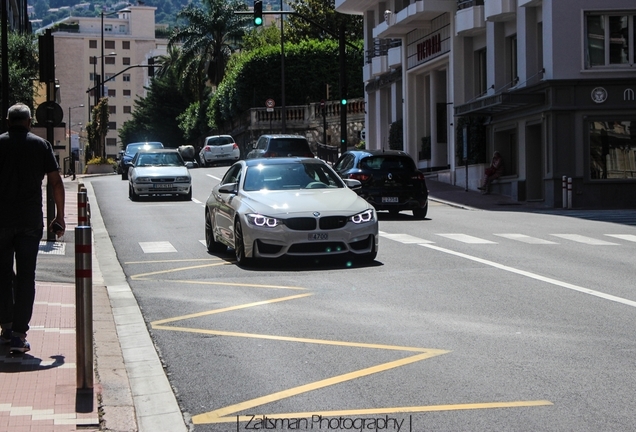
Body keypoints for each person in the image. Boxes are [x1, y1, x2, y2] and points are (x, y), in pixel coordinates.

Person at [0, 103, 66, 354]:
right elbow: (56, 182)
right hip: (30, 221)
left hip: (1, 221)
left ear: (8, 122)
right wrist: (59, 216)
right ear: (29, 122)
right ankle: (19, 335)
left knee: (2, 275)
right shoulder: (41, 145)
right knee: (27, 276)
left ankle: (6, 326)